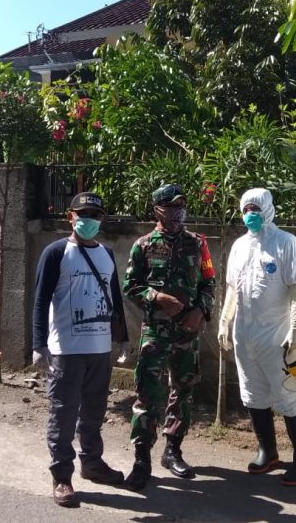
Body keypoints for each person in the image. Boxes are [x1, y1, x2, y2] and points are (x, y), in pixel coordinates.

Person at [32, 192, 129, 508]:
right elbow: (40, 300)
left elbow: (114, 299)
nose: (89, 219)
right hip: (66, 349)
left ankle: (92, 463)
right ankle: (62, 476)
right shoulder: (56, 252)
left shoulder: (107, 254)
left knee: (94, 411)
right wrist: (38, 344)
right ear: (70, 217)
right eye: (83, 213)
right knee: (63, 413)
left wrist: (122, 339)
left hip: (99, 348)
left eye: (96, 214)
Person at [122, 184, 216, 491]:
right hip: (156, 333)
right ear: (157, 210)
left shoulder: (197, 244)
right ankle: (141, 459)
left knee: (183, 391)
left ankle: (173, 450)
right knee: (147, 394)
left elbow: (209, 283)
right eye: (171, 207)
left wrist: (200, 311)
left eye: (181, 207)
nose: (178, 213)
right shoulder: (144, 245)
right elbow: (131, 286)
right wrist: (158, 296)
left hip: (187, 333)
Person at [217, 188, 296, 486]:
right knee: (252, 392)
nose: (250, 215)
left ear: (269, 209)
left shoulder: (286, 242)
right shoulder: (239, 246)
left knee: (287, 393)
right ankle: (267, 451)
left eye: (256, 209)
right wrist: (224, 321)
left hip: (277, 335)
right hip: (245, 334)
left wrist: (295, 332)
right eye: (246, 209)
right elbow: (234, 288)